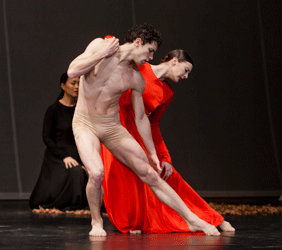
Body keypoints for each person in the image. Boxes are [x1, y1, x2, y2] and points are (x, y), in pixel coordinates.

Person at [67, 23, 220, 237]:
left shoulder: (135, 78)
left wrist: (152, 153)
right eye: (150, 50)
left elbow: (141, 119)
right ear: (138, 42)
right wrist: (102, 53)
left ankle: (193, 220)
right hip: (85, 122)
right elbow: (73, 71)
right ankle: (96, 221)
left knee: (150, 174)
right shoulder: (100, 46)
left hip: (111, 127)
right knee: (96, 172)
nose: (150, 57)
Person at [101, 50, 235, 233]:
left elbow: (153, 125)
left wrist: (165, 158)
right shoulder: (140, 66)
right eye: (185, 70)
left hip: (140, 134)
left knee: (167, 176)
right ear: (174, 61)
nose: (186, 76)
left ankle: (212, 218)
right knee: (123, 178)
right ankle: (132, 222)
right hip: (117, 126)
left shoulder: (167, 92)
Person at [29, 73, 88, 211]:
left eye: (79, 83)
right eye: (73, 83)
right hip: (58, 156)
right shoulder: (54, 110)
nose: (77, 87)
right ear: (63, 86)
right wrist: (64, 156)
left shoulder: (81, 110)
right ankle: (71, 204)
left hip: (78, 153)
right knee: (76, 172)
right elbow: (47, 137)